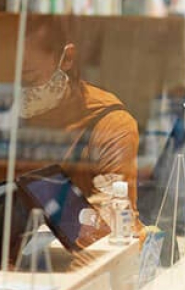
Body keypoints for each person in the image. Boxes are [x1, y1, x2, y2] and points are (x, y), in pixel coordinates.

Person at [19, 16, 139, 207]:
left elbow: (113, 216)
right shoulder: (17, 120)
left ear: (67, 58)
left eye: (30, 79)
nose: (21, 93)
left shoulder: (110, 122)